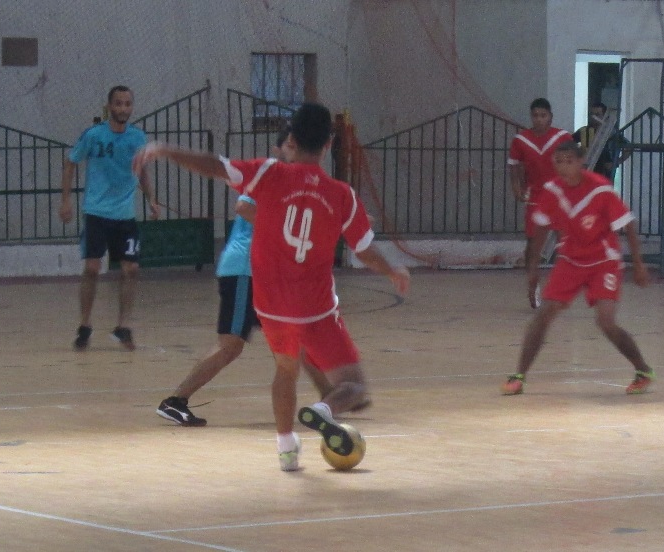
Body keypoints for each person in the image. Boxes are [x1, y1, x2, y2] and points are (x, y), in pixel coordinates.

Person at [133, 102, 410, 471]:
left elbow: (215, 166)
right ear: (329, 144)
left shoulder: (267, 173)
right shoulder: (342, 195)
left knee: (285, 368)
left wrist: (165, 149)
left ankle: (286, 448)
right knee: (353, 385)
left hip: (271, 303)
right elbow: (365, 252)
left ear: (292, 138)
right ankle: (322, 409)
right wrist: (393, 270)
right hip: (315, 306)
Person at [155, 126, 337, 427]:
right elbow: (244, 206)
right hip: (244, 270)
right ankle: (175, 401)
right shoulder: (270, 177)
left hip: (267, 275)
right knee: (231, 344)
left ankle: (330, 397)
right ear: (282, 149)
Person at [500, 141, 656, 396]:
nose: (563, 167)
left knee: (606, 322)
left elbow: (627, 224)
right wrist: (533, 268)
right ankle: (519, 376)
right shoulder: (552, 190)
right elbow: (540, 228)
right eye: (558, 162)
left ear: (582, 162)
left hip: (603, 261)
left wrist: (638, 264)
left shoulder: (600, 189)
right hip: (570, 259)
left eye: (569, 161)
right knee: (544, 314)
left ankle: (642, 369)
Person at [59, 85, 160, 351]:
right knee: (92, 269)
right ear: (110, 106)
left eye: (127, 104)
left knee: (131, 269)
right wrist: (66, 200)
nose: (123, 108)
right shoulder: (94, 135)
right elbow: (71, 162)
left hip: (125, 216)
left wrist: (151, 198)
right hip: (97, 213)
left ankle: (123, 326)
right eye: (118, 103)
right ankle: (84, 325)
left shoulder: (137, 138)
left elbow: (142, 171)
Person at [508, 98, 572, 307]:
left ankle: (562, 285)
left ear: (550, 117)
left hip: (559, 197)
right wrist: (517, 187)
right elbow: (514, 166)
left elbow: (573, 164)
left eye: (543, 115)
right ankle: (533, 283)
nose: (539, 119)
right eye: (535, 115)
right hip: (535, 198)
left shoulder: (562, 138)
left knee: (564, 242)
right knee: (533, 245)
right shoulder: (521, 140)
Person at [572, 102, 628, 179]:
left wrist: (616, 163)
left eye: (597, 114)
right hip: (587, 169)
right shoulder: (583, 131)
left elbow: (628, 148)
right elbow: (568, 144)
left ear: (604, 116)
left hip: (605, 172)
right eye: (592, 114)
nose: (594, 117)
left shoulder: (611, 132)